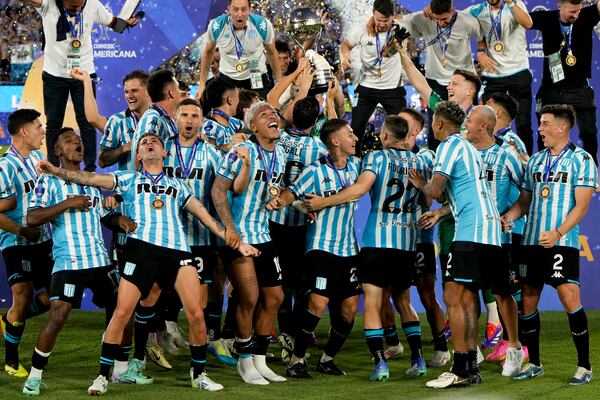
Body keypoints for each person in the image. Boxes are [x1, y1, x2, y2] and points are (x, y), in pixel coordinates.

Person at [36, 132, 259, 394]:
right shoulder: (129, 179)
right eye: (143, 143)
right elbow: (88, 177)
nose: (149, 143)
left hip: (177, 252)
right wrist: (54, 170)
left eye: (155, 141)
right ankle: (102, 376)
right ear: (138, 155)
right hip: (141, 250)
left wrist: (237, 242)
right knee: (121, 313)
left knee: (197, 314)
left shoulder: (179, 185)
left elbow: (206, 218)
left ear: (165, 153)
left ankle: (199, 374)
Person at [302, 116, 430, 381]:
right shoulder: (420, 162)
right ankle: (418, 360)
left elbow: (359, 189)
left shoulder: (377, 158)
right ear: (406, 136)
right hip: (407, 242)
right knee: (404, 302)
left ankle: (380, 364)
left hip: (377, 242)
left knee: (372, 303)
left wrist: (323, 203)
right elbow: (428, 198)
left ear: (385, 136)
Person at [21, 128, 135, 396]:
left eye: (79, 140)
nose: (77, 143)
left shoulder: (93, 181)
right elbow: (32, 218)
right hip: (68, 262)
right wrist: (67, 203)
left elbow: (102, 216)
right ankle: (35, 376)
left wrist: (118, 220)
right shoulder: (47, 181)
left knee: (123, 309)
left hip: (99, 262)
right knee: (58, 315)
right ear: (58, 151)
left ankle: (120, 368)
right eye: (69, 140)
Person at [408, 101, 502, 388]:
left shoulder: (449, 146)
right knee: (467, 299)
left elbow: (435, 191)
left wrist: (421, 184)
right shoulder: (470, 149)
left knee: (452, 297)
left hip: (470, 232)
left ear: (438, 124)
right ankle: (471, 367)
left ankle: (460, 367)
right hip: (490, 233)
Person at [502, 104, 597, 385]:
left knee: (569, 297)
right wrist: (509, 216)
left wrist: (557, 232)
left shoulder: (582, 160)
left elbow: (581, 207)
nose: (539, 129)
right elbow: (525, 201)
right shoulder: (534, 161)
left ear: (562, 127)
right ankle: (535, 363)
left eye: (544, 124)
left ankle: (584, 366)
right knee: (528, 297)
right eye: (540, 124)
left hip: (562, 242)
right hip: (531, 241)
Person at [268, 119, 361, 379]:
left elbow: (362, 189)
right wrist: (281, 201)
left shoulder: (357, 166)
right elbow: (292, 192)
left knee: (349, 309)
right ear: (335, 141)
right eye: (349, 134)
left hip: (349, 249)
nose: (355, 138)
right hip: (321, 247)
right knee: (318, 304)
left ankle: (327, 360)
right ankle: (296, 361)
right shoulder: (314, 171)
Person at [211, 101, 287, 385]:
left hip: (264, 235)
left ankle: (260, 359)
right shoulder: (239, 152)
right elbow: (218, 190)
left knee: (275, 298)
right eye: (265, 114)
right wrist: (230, 229)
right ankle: (244, 361)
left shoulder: (279, 154)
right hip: (239, 237)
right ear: (253, 127)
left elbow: (272, 187)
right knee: (249, 298)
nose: (273, 116)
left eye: (275, 114)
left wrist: (276, 199)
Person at [21, 0, 138, 171]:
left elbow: (112, 22)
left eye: (79, 6)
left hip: (84, 75)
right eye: (71, 7)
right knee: (54, 123)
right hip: (54, 75)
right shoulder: (48, 4)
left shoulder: (92, 4)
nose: (76, 9)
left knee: (87, 123)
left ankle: (90, 169)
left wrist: (124, 23)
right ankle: (54, 168)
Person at [162, 98, 234, 365]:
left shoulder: (212, 154)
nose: (189, 121)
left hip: (201, 235)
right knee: (162, 288)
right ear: (176, 119)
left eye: (195, 116)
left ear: (202, 121)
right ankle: (164, 330)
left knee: (207, 290)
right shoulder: (163, 149)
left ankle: (209, 340)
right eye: (184, 115)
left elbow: (226, 186)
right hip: (167, 234)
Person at [463, 105, 526, 377]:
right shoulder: (462, 153)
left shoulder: (505, 155)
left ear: (484, 126)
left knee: (502, 293)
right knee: (465, 293)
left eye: (470, 120)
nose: (465, 123)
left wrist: (511, 215)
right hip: (466, 234)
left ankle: (514, 347)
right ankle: (470, 350)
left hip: (497, 238)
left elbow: (526, 191)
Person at [268, 97, 328, 359]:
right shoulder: (319, 147)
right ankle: (299, 332)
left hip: (275, 219)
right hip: (303, 222)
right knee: (301, 282)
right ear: (315, 121)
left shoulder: (277, 138)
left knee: (280, 281)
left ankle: (285, 334)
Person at [0, 109, 52, 378]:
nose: (42, 130)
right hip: (15, 240)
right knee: (22, 295)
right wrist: (20, 228)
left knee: (53, 298)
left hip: (43, 240)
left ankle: (8, 321)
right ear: (23, 131)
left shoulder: (37, 159)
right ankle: (11, 361)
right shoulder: (4, 167)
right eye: (38, 126)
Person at [399, 108, 450, 368]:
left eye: (403, 122)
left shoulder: (428, 158)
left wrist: (422, 185)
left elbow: (435, 197)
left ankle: (441, 346)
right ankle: (397, 345)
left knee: (426, 292)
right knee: (392, 293)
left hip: (419, 234)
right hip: (393, 237)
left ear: (416, 131)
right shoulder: (386, 156)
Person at [524, 0, 600, 164]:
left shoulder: (586, 16)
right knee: (544, 132)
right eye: (572, 12)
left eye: (578, 11)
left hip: (580, 89)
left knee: (589, 133)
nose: (576, 15)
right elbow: (523, 20)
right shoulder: (547, 18)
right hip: (551, 89)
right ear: (560, 6)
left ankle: (590, 171)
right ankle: (544, 169)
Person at [400, 0, 481, 150]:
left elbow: (484, 34)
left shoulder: (467, 21)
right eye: (437, 19)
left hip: (464, 83)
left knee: (469, 124)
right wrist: (400, 44)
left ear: (452, 10)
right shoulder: (424, 18)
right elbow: (400, 23)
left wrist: (482, 52)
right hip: (436, 80)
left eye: (444, 19)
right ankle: (437, 160)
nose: (441, 23)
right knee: (437, 126)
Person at [467, 0, 534, 154]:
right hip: (493, 74)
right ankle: (489, 159)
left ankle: (526, 162)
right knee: (487, 122)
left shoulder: (515, 5)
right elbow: (454, 17)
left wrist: (510, 3)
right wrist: (480, 51)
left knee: (523, 123)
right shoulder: (478, 10)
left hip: (518, 71)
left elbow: (528, 23)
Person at [340, 0, 406, 154]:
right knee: (355, 130)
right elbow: (345, 46)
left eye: (386, 20)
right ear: (373, 15)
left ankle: (404, 164)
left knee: (403, 129)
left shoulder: (401, 29)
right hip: (365, 87)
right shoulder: (362, 29)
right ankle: (354, 164)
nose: (382, 24)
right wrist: (344, 56)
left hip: (393, 89)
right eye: (378, 20)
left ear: (392, 17)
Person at [197, 0, 282, 100]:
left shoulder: (262, 25)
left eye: (244, 9)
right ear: (228, 9)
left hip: (255, 74)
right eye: (235, 9)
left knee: (260, 111)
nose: (240, 14)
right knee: (226, 111)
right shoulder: (217, 25)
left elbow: (272, 53)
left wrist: (279, 83)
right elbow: (208, 52)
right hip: (228, 77)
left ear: (250, 10)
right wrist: (202, 83)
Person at [130, 69, 182, 168]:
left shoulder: (167, 120)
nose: (180, 93)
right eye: (178, 88)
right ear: (171, 93)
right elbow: (143, 152)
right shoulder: (152, 117)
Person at [202, 77, 246, 153]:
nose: (239, 101)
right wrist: (229, 146)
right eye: (238, 97)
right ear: (230, 100)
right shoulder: (209, 127)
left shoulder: (232, 122)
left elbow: (252, 126)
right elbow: (207, 152)